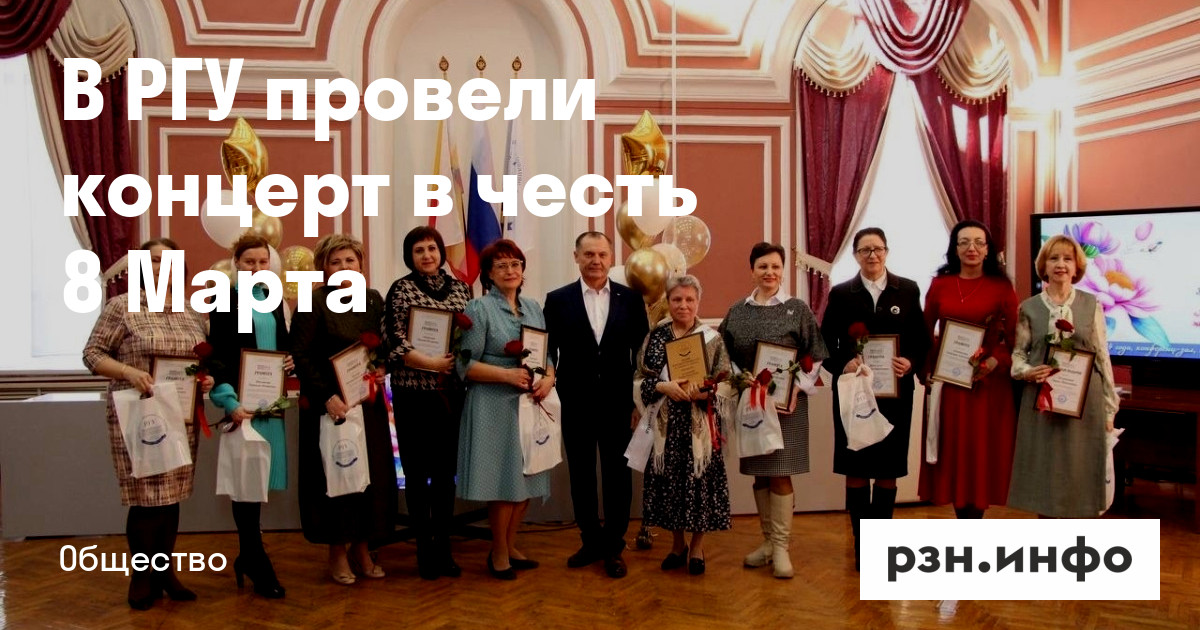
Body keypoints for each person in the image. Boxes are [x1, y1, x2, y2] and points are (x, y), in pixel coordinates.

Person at [82, 238, 214, 610]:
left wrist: (204, 380)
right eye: (154, 260)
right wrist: (129, 372)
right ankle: (142, 577)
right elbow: (92, 354)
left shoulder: (191, 312)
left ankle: (164, 571)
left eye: (169, 261)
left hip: (180, 416)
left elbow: (196, 363)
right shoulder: (121, 307)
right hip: (137, 417)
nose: (161, 267)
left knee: (171, 497)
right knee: (145, 500)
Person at [820, 228, 930, 570]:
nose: (872, 255)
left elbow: (921, 340)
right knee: (856, 470)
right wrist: (844, 363)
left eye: (878, 249)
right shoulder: (841, 294)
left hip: (895, 396)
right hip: (854, 395)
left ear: (887, 252)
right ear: (855, 255)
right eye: (865, 250)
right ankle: (861, 545)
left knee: (887, 471)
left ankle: (880, 546)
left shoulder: (908, 289)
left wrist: (910, 361)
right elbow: (826, 344)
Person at [291, 234, 396, 585]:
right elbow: (301, 356)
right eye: (335, 262)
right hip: (329, 407)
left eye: (350, 260)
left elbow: (383, 347)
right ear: (324, 268)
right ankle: (337, 551)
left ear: (360, 265)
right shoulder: (312, 302)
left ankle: (362, 548)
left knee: (371, 479)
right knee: (335, 479)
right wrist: (326, 397)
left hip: (367, 404)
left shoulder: (373, 299)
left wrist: (382, 369)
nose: (343, 267)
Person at [719, 242, 828, 579]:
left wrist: (798, 388)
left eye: (775, 266)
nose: (769, 272)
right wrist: (741, 380)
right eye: (763, 266)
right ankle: (767, 542)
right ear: (752, 270)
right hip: (751, 404)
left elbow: (815, 355)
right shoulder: (738, 311)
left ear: (783, 271)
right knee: (760, 473)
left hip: (786, 407)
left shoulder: (797, 309)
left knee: (780, 472)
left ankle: (781, 547)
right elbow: (724, 355)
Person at [543, 231, 649, 579]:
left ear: (610, 257)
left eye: (602, 254)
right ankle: (590, 540)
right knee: (582, 474)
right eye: (588, 254)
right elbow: (547, 352)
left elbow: (643, 356)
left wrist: (639, 402)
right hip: (575, 401)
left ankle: (614, 546)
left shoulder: (630, 299)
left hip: (619, 403)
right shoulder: (557, 300)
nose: (596, 260)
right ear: (576, 257)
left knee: (618, 475)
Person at [456, 239, 556, 580]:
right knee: (504, 483)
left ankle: (511, 545)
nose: (510, 270)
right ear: (488, 273)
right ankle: (498, 552)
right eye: (501, 265)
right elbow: (464, 364)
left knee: (527, 478)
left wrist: (550, 378)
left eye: (515, 264)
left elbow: (546, 353)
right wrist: (506, 375)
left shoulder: (534, 308)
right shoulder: (479, 309)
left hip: (529, 404)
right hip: (492, 405)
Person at [382, 226, 472, 580]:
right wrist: (431, 363)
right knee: (417, 475)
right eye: (418, 250)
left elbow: (470, 335)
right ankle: (424, 549)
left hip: (449, 395)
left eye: (432, 248)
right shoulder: (401, 289)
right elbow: (393, 339)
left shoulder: (461, 289)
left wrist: (456, 361)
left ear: (441, 252)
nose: (427, 255)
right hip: (412, 395)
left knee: (445, 474)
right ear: (410, 256)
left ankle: (444, 548)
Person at [1007, 235, 1119, 517]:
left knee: (1080, 477)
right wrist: (1027, 372)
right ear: (1043, 266)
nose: (1061, 264)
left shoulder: (1092, 304)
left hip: (1084, 405)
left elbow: (1102, 356)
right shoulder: (1028, 307)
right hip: (1041, 404)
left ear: (1076, 266)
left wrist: (1110, 409)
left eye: (1067, 259)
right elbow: (1018, 356)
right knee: (1044, 478)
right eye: (1054, 258)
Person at [207, 233, 292, 598]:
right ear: (236, 264)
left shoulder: (272, 299)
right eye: (249, 262)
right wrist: (229, 401)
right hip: (241, 406)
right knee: (245, 485)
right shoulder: (226, 299)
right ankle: (256, 558)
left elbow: (281, 346)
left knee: (258, 482)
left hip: (268, 405)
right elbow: (220, 356)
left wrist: (290, 360)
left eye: (262, 261)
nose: (257, 268)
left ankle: (248, 555)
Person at [920, 220, 1018, 519]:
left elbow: (1015, 339)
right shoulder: (940, 285)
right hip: (949, 385)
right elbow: (925, 332)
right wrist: (927, 370)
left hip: (987, 387)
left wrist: (996, 360)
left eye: (978, 242)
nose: (971, 248)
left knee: (980, 457)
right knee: (955, 456)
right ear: (954, 248)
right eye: (963, 242)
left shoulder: (1002, 287)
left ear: (988, 249)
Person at [634, 275, 731, 575]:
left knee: (700, 486)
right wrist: (661, 387)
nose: (683, 305)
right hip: (665, 427)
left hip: (699, 427)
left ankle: (697, 547)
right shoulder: (654, 337)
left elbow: (726, 380)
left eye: (690, 299)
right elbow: (639, 378)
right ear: (668, 302)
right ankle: (678, 545)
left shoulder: (712, 338)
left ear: (698, 302)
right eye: (677, 299)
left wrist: (706, 392)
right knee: (670, 487)